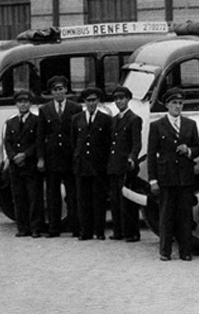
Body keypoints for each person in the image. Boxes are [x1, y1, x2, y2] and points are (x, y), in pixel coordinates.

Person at [147, 88, 199, 261]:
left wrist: (189, 151)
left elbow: (197, 147)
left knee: (185, 216)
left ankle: (185, 251)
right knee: (166, 216)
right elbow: (151, 154)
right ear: (167, 105)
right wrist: (153, 180)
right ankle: (165, 251)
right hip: (166, 177)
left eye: (180, 103)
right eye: (174, 103)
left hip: (185, 177)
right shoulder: (157, 126)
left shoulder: (190, 124)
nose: (178, 107)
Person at [36, 75, 81, 237]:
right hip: (52, 158)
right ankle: (54, 228)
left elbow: (79, 133)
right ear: (51, 92)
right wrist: (41, 158)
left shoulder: (75, 108)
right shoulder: (44, 110)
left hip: (69, 157)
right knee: (53, 195)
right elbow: (40, 136)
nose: (59, 92)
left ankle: (76, 227)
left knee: (72, 193)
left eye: (61, 89)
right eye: (55, 90)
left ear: (66, 90)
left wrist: (77, 155)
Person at [71, 86, 112, 240]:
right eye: (88, 101)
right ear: (84, 102)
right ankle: (85, 231)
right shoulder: (76, 119)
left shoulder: (106, 119)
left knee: (99, 200)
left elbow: (108, 143)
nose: (91, 104)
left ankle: (99, 231)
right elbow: (73, 142)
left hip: (98, 166)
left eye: (94, 100)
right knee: (83, 201)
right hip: (81, 166)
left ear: (98, 101)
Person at [4, 89, 43, 237]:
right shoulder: (11, 122)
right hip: (16, 166)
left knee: (34, 198)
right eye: (20, 102)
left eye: (26, 102)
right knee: (19, 198)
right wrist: (14, 157)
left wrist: (25, 155)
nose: (23, 105)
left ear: (30, 104)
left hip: (30, 164)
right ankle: (23, 228)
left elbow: (38, 142)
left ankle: (35, 228)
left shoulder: (36, 120)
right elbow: (7, 142)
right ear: (16, 104)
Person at [106, 85, 142, 242]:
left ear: (128, 99)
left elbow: (137, 143)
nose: (119, 102)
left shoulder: (134, 119)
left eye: (121, 98)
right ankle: (118, 231)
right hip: (114, 165)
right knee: (115, 200)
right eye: (116, 99)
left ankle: (132, 232)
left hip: (126, 165)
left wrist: (132, 157)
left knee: (127, 201)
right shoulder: (114, 120)